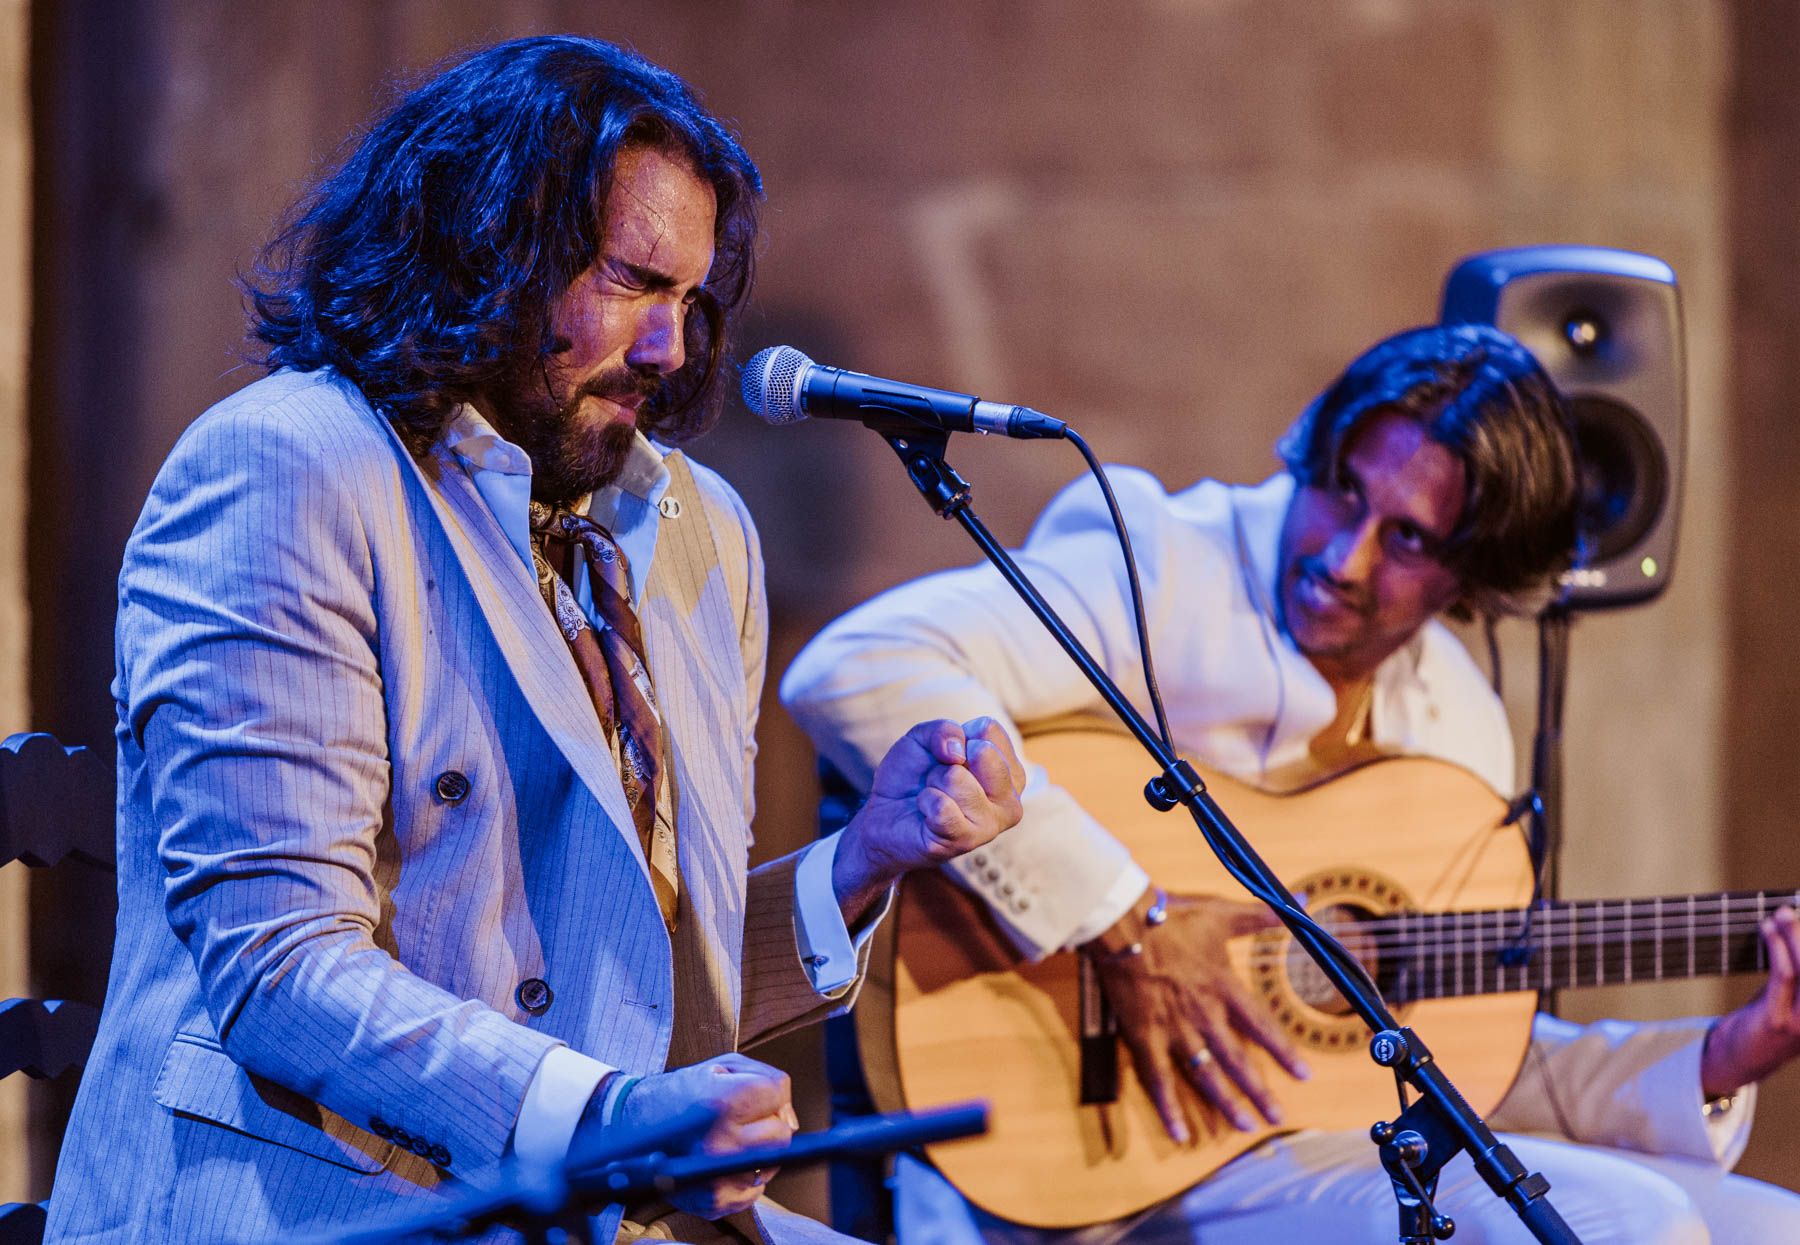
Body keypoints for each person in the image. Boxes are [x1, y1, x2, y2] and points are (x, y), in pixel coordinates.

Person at [43, 36, 1023, 1245]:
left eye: (690, 301)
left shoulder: (694, 530)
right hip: (316, 1205)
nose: (668, 349)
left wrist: (866, 857)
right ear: (482, 246)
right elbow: (278, 971)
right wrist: (611, 1116)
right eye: (629, 281)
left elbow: (635, 999)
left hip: (578, 1207)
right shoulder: (290, 468)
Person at [782, 323, 1800, 1243]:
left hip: (1301, 1146)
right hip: (1097, 1146)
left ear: (1474, 578)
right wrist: (1122, 915)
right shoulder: (1168, 563)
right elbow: (854, 669)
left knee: (1766, 1230)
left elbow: (1460, 1059)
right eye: (1343, 491)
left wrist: (1724, 1051)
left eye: (1407, 540)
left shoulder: (1454, 724)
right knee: (1643, 1226)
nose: (1342, 558)